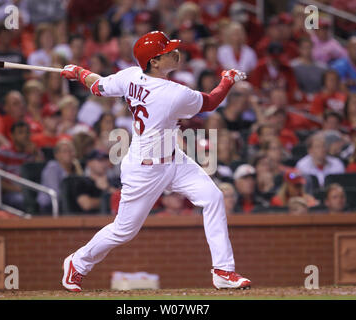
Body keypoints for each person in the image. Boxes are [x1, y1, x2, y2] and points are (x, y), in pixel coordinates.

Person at [59, 31, 251, 291]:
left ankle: (223, 271)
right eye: (167, 52)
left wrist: (79, 72)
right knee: (123, 231)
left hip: (174, 159)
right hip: (144, 168)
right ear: (154, 63)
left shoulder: (129, 76)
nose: (175, 53)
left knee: (214, 198)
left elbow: (98, 85)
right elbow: (211, 102)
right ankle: (77, 263)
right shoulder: (173, 93)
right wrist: (227, 80)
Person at [0, 121, 44, 210]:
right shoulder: (2, 152)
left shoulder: (34, 152)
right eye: (20, 132)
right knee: (23, 200)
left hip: (32, 191)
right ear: (12, 136)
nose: (25, 135)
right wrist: (20, 189)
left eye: (27, 132)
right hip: (11, 193)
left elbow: (41, 174)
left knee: (44, 201)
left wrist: (36, 154)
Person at [37, 139, 83, 213]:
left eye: (71, 150)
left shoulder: (77, 168)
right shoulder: (52, 168)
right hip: (50, 207)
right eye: (65, 151)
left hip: (69, 206)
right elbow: (56, 193)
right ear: (56, 155)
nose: (69, 153)